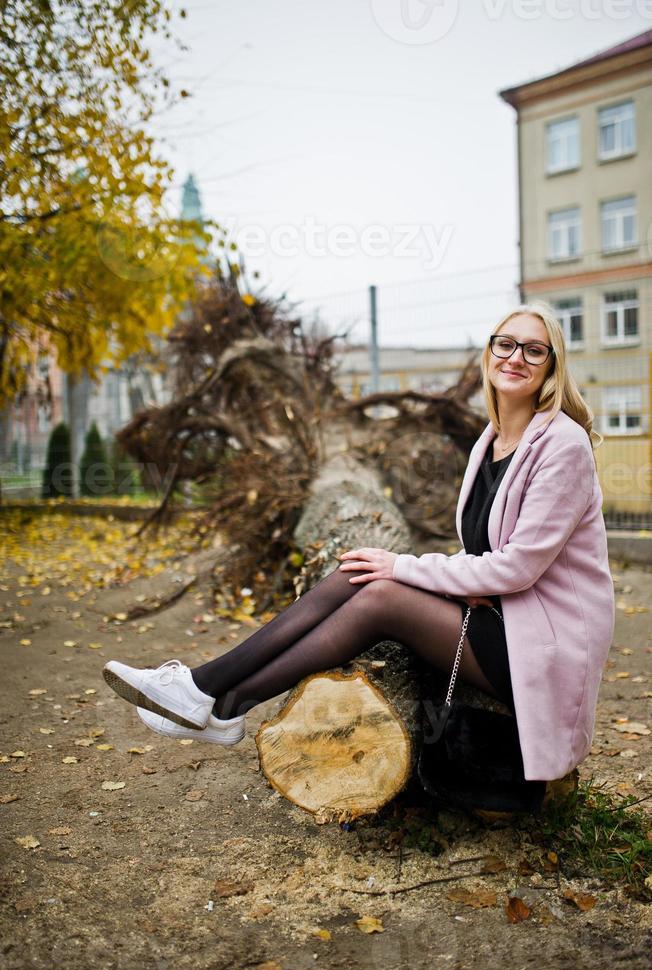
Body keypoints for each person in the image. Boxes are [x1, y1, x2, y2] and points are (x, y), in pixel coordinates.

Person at [102, 301, 615, 784]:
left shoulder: (562, 445)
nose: (516, 357)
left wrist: (407, 567)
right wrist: (442, 575)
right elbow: (486, 554)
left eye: (534, 349)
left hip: (540, 645)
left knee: (382, 593)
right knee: (357, 570)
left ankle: (219, 700)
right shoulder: (495, 440)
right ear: (489, 354)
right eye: (506, 344)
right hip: (503, 618)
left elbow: (516, 568)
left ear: (551, 366)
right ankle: (208, 696)